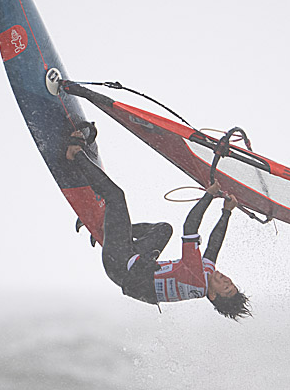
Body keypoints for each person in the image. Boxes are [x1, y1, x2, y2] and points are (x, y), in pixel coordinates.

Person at [65, 128, 251, 320]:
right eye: (231, 283)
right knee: (163, 230)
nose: (227, 281)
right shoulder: (205, 278)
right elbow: (213, 246)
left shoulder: (196, 278)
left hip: (120, 265)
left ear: (212, 295)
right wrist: (226, 212)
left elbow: (190, 227)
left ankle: (75, 153)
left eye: (226, 288)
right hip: (135, 264)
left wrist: (209, 195)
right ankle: (107, 230)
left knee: (116, 196)